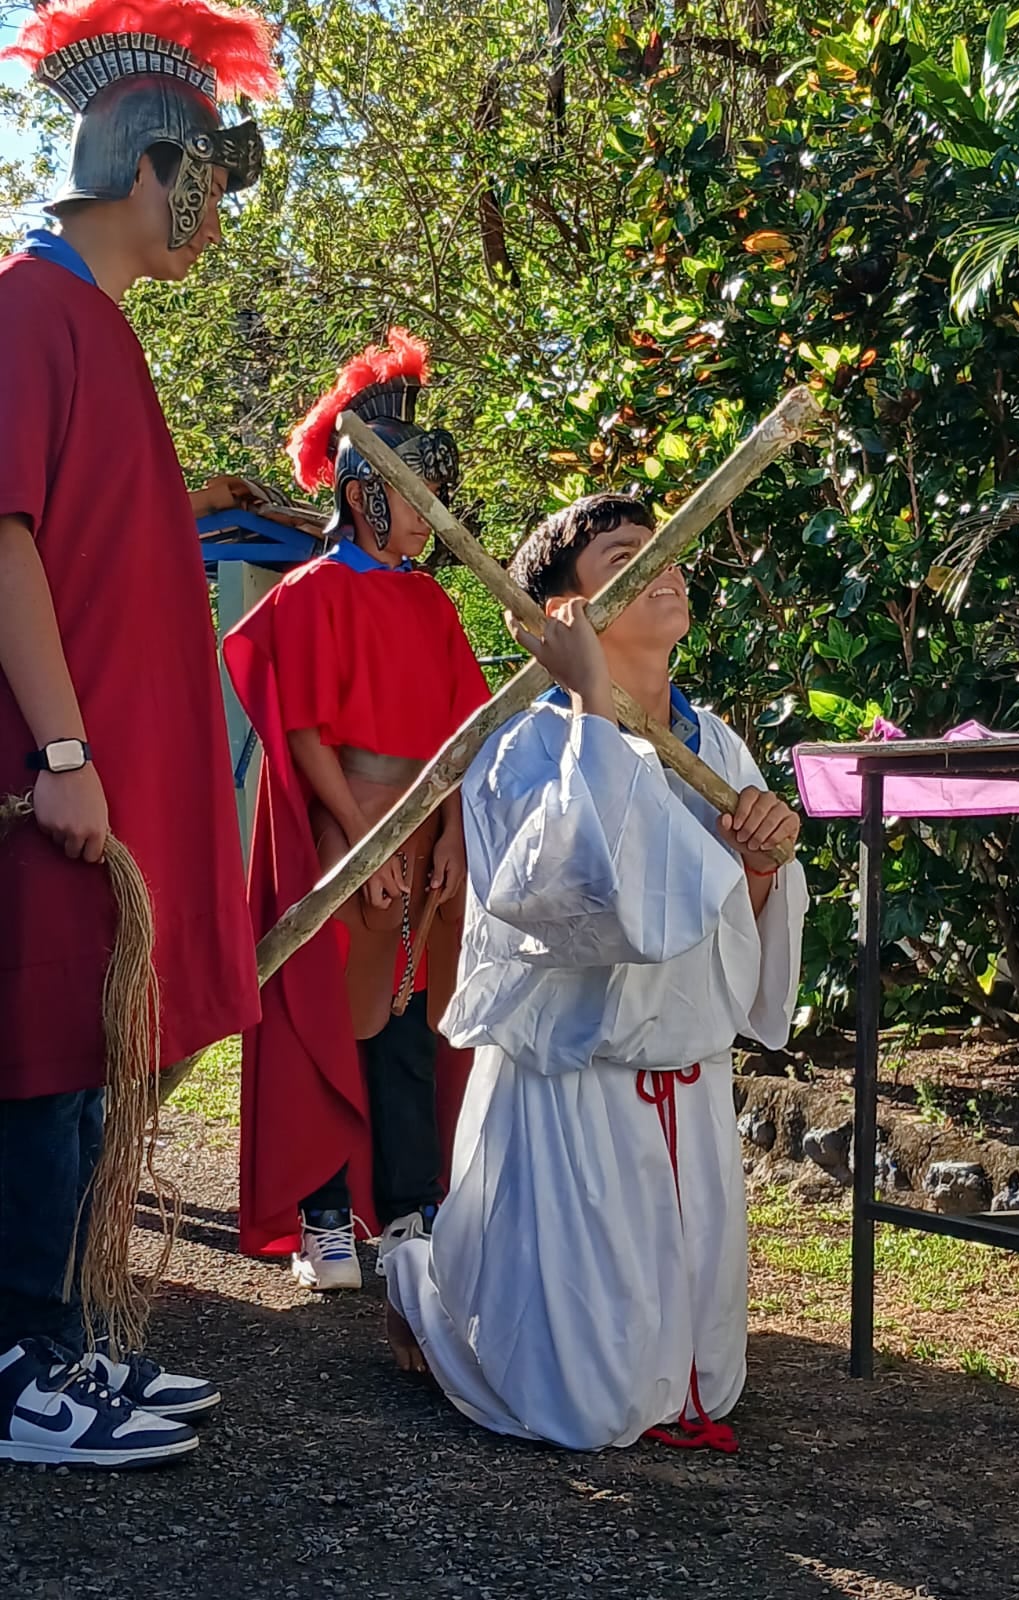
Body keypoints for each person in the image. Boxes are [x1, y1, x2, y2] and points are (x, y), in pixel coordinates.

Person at [384, 492, 808, 1452]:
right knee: (583, 1410)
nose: (668, 564)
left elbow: (723, 927)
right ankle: (420, 1282)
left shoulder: (720, 745)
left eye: (669, 549)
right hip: (572, 1095)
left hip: (688, 1094)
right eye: (629, 552)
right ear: (565, 612)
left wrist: (758, 865)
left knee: (709, 1384)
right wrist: (586, 706)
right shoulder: (523, 747)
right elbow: (567, 909)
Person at [0, 0, 276, 1467]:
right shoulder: (29, 310)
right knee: (41, 1051)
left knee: (88, 1054)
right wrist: (59, 751)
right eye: (204, 183)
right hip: (51, 787)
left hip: (95, 791)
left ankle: (80, 1345)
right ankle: (19, 1363)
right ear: (142, 159)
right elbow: (4, 536)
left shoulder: (92, 329)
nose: (210, 218)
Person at [224, 329, 490, 1291]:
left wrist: (452, 830)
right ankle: (326, 1215)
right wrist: (354, 839)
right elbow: (302, 734)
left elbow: (466, 733)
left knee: (414, 1020)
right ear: (361, 492)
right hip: (342, 829)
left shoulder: (435, 608)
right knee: (332, 1020)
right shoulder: (308, 594)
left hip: (426, 839)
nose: (428, 520)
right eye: (413, 499)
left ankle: (413, 1205)